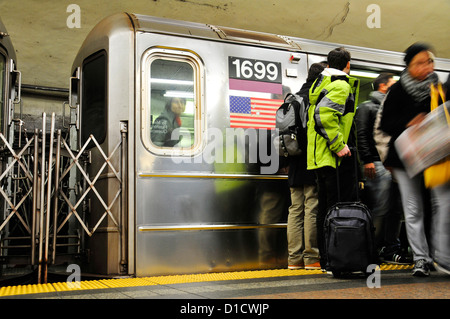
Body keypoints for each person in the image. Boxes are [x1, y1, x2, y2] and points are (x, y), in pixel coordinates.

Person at [379, 43, 445, 276]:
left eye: (429, 61)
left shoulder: (438, 88)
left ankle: (441, 256)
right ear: (408, 66)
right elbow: (385, 124)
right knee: (413, 208)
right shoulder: (397, 91)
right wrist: (409, 122)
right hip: (406, 158)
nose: (427, 66)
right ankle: (421, 258)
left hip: (435, 155)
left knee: (440, 205)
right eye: (420, 63)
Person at [306, 48, 360, 270]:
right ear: (347, 64)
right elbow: (325, 115)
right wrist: (339, 146)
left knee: (325, 211)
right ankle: (335, 259)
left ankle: (328, 259)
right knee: (335, 209)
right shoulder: (341, 85)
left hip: (319, 157)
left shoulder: (320, 84)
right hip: (331, 157)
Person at [355, 73, 412, 264]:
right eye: (392, 84)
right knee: (381, 206)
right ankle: (373, 247)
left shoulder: (393, 109)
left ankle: (390, 247)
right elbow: (361, 133)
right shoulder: (367, 107)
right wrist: (367, 160)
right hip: (376, 163)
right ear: (382, 86)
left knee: (395, 208)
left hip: (393, 164)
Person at [287, 62, 326, 270]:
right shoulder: (315, 98)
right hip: (311, 161)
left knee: (295, 210)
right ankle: (311, 258)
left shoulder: (293, 98)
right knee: (311, 208)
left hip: (294, 163)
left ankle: (293, 259)